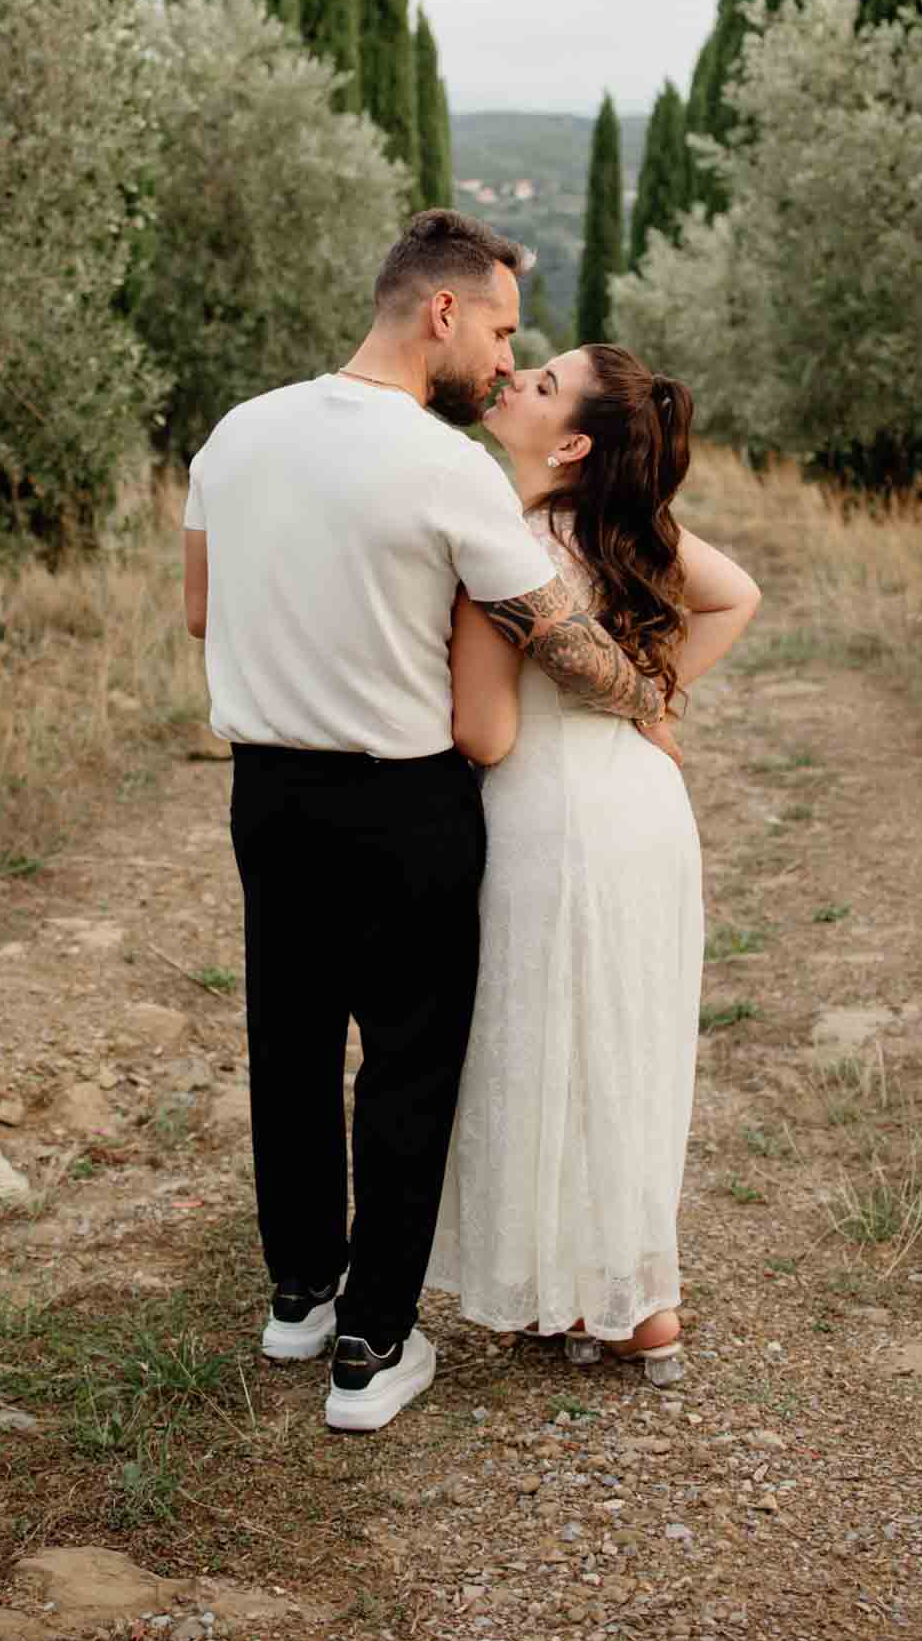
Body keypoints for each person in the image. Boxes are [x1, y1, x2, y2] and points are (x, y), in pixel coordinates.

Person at [181, 212, 674, 1434]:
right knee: (407, 1065)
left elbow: (201, 615)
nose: (504, 362)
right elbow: (558, 636)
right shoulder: (449, 468)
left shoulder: (236, 432)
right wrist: (647, 697)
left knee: (288, 1045)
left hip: (268, 793)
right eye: (501, 330)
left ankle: (299, 1294)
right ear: (441, 313)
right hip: (401, 802)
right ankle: (371, 1346)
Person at [427, 343, 761, 1379]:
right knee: (616, 1043)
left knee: (548, 1045)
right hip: (639, 808)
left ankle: (620, 1305)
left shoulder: (514, 550)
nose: (514, 379)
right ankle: (605, 1295)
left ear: (569, 442)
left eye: (539, 384)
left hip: (551, 817)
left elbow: (483, 734)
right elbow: (736, 595)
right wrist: (657, 696)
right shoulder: (619, 533)